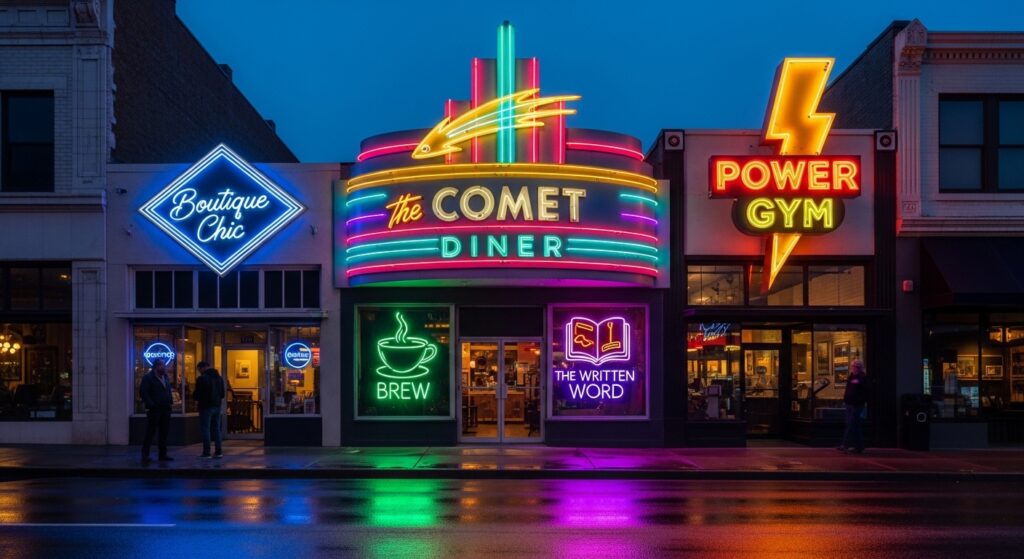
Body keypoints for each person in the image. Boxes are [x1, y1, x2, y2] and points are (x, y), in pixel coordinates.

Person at [140, 358, 174, 464]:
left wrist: (170, 401)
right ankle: (145, 455)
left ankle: (163, 454)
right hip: (154, 410)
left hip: (166, 409)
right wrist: (151, 404)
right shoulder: (148, 378)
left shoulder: (165, 377)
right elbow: (143, 392)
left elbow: (167, 390)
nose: (165, 367)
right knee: (150, 432)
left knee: (164, 433)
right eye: (163, 365)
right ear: (157, 366)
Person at [193, 361, 225, 458]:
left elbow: (196, 394)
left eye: (199, 369)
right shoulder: (219, 378)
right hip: (217, 406)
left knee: (205, 429)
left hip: (205, 407)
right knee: (216, 429)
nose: (199, 371)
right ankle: (218, 451)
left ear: (202, 368)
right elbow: (222, 394)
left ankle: (206, 452)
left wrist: (196, 397)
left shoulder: (202, 379)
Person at [838, 359, 869, 454]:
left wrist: (861, 401)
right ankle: (859, 447)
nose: (853, 368)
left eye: (854, 366)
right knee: (854, 425)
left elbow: (866, 392)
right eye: (852, 366)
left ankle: (845, 444)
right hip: (849, 404)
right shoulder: (851, 377)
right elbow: (848, 390)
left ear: (859, 367)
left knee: (851, 424)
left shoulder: (862, 377)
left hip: (857, 405)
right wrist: (845, 400)